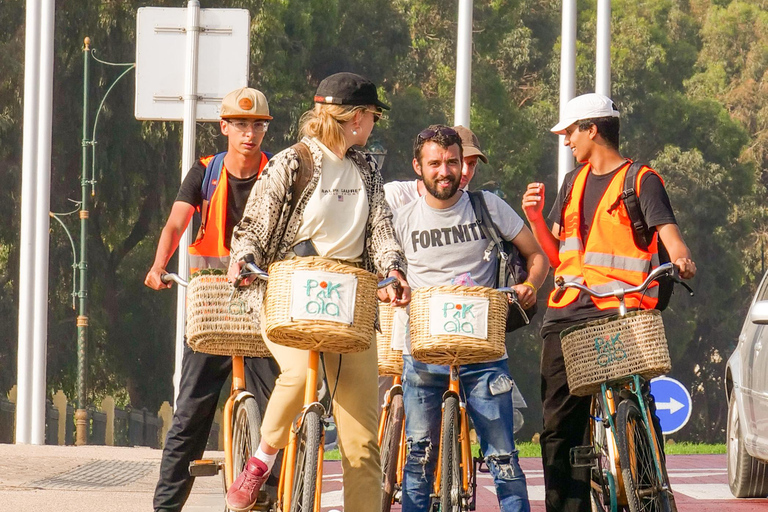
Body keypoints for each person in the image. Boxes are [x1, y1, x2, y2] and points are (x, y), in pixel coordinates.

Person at [224, 72, 411, 512]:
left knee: (362, 445)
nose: (374, 124)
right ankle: (260, 463)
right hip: (291, 290)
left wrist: (393, 268)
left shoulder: (365, 167)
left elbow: (381, 227)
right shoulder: (292, 162)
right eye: (372, 115)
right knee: (293, 375)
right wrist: (245, 258)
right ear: (355, 117)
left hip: (350, 303)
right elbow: (253, 226)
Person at [521, 93, 697, 512]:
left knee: (637, 401)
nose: (566, 141)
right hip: (566, 310)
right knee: (559, 427)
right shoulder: (572, 183)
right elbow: (558, 253)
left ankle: (651, 484)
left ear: (592, 129)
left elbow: (668, 233)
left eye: (570, 132)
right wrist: (534, 218)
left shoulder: (641, 180)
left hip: (621, 309)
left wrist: (681, 258)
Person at [394, 124, 548, 512]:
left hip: (484, 352)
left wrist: (531, 285)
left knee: (503, 459)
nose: (444, 171)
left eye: (452, 162)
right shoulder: (402, 218)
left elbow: (537, 256)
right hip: (423, 353)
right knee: (417, 459)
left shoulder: (487, 206)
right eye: (434, 164)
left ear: (462, 165)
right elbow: (387, 270)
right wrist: (391, 284)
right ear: (418, 167)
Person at [144, 87, 281, 512]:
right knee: (190, 414)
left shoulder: (278, 172)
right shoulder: (204, 172)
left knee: (274, 409)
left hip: (262, 304)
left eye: (258, 125)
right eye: (240, 124)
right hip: (212, 309)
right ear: (224, 127)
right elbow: (175, 223)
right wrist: (157, 265)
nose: (249, 133)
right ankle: (166, 507)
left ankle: (269, 495)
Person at [383, 124, 488, 209]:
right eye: (452, 161)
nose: (465, 171)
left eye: (472, 164)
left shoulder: (480, 208)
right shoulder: (397, 196)